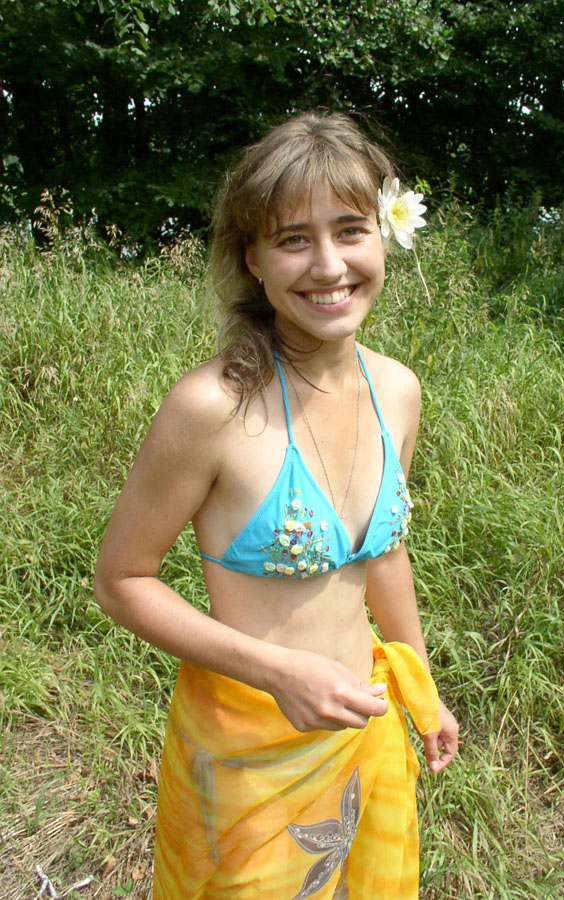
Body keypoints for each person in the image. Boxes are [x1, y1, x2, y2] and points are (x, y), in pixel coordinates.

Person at [94, 111, 459, 900]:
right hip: (250, 755)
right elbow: (121, 580)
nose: (329, 265)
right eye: (294, 239)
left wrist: (420, 684)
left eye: (350, 229)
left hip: (363, 727)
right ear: (252, 259)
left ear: (384, 236)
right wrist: (278, 671)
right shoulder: (210, 408)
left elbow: (384, 552)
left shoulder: (397, 390)